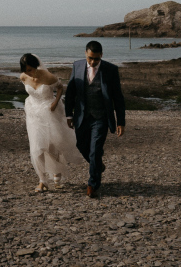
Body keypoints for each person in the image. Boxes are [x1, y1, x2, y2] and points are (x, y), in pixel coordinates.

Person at [64, 40, 126, 198]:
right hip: (82, 116)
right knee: (81, 145)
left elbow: (118, 97)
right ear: (85, 53)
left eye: (96, 59)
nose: (92, 62)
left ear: (101, 56)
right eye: (90, 58)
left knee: (95, 151)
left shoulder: (111, 70)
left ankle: (92, 185)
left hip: (101, 117)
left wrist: (120, 122)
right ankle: (97, 164)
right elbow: (70, 92)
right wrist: (69, 115)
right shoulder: (77, 66)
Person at [19, 53, 79, 192]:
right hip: (33, 113)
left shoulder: (47, 76)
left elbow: (60, 87)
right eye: (26, 70)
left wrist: (54, 103)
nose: (29, 73)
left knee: (52, 146)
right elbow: (29, 91)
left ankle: (57, 173)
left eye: (30, 69)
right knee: (36, 148)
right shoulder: (23, 77)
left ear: (36, 66)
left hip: (49, 112)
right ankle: (42, 181)